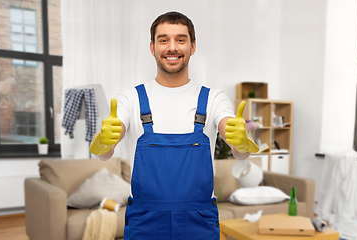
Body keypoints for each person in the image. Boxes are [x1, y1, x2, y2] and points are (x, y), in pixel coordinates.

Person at [89, 11, 259, 240]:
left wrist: (241, 140)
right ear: (152, 47)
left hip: (199, 222)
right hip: (144, 222)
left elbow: (240, 152)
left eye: (180, 39)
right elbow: (105, 152)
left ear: (192, 46)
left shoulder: (213, 99)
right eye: (163, 40)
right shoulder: (130, 98)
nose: (172, 47)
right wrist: (103, 140)